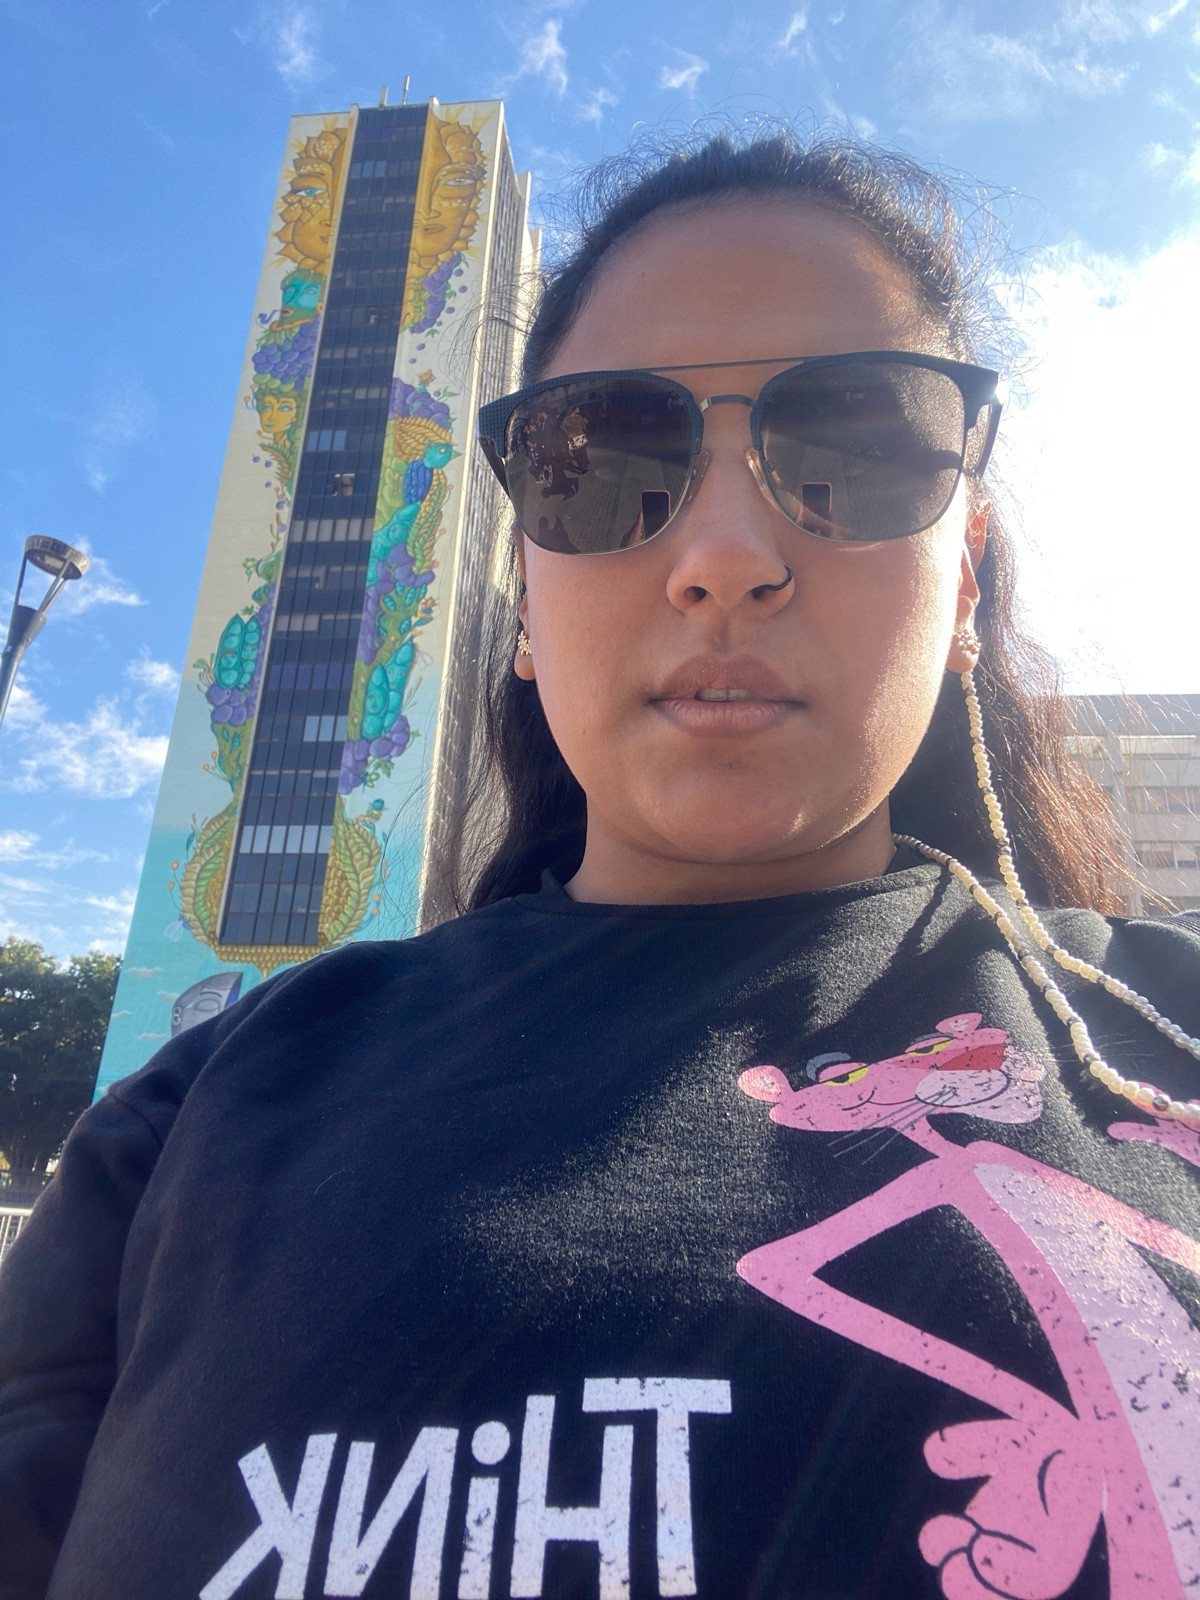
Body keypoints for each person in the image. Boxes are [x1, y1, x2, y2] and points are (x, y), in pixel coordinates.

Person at [2, 128, 1198, 1600]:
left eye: (855, 449)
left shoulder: (1166, 1030)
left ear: (962, 576)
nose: (725, 555)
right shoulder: (201, 1107)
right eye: (605, 462)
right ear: (523, 597)